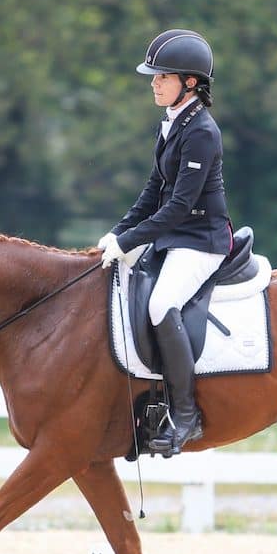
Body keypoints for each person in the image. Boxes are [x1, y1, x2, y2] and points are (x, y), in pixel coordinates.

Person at [99, 28, 233, 455]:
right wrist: (119, 234)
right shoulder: (172, 124)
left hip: (202, 241)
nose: (154, 83)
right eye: (154, 77)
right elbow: (151, 193)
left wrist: (133, 239)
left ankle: (187, 414)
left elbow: (178, 206)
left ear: (189, 83)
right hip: (175, 238)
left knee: (160, 304)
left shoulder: (201, 132)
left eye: (162, 77)